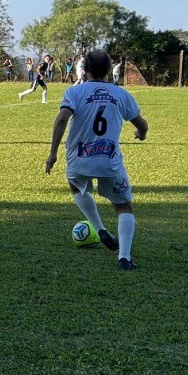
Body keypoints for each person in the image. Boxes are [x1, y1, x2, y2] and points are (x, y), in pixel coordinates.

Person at [45, 48, 149, 271]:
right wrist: (141, 134)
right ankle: (124, 257)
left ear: (85, 70)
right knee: (123, 206)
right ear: (109, 70)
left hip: (79, 160)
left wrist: (53, 153)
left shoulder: (75, 92)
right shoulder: (121, 94)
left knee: (77, 187)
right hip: (109, 161)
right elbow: (142, 124)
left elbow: (62, 118)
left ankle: (99, 228)